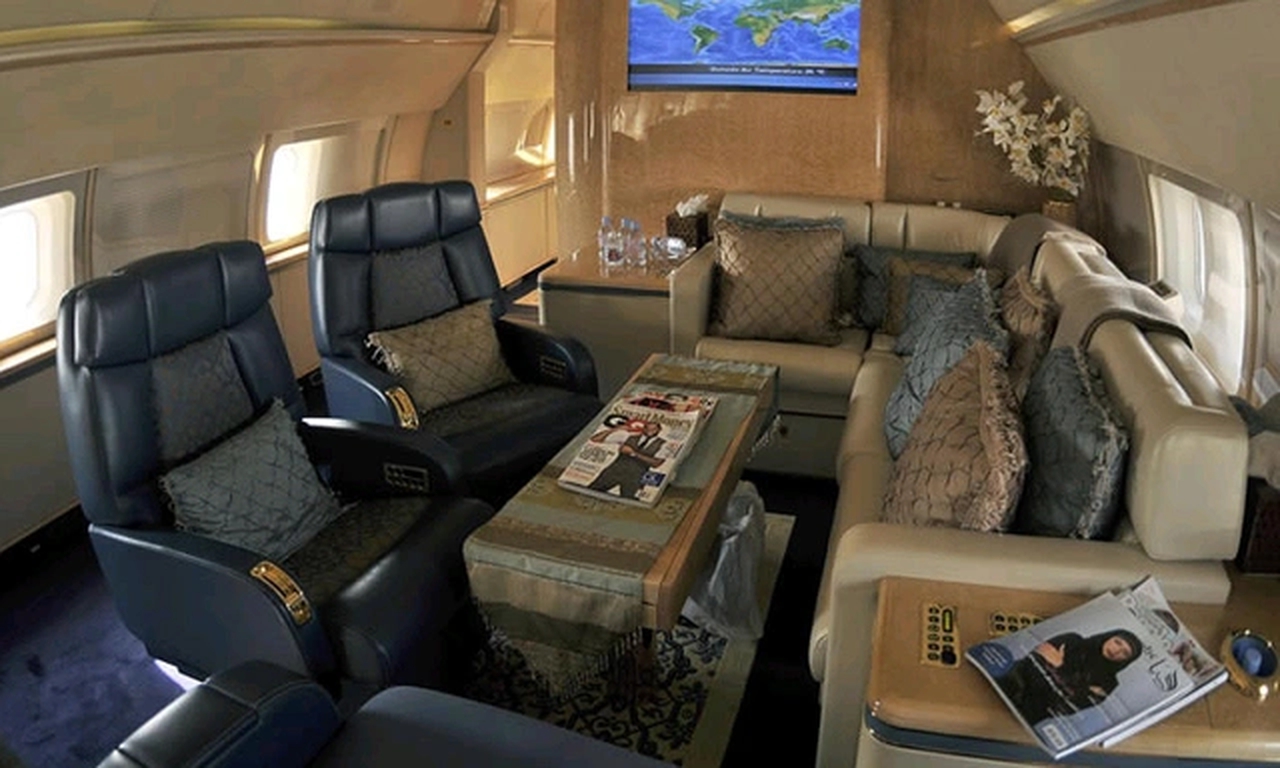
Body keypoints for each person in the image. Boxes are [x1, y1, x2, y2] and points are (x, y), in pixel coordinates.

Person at [996, 630, 1144, 726]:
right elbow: (1031, 662)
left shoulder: (1108, 683)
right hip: (1006, 683)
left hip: (1025, 715)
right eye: (1117, 642)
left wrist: (1060, 666)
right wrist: (1075, 687)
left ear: (1126, 661)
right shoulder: (1073, 640)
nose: (1116, 651)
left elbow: (1068, 707)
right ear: (1109, 637)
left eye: (1124, 653)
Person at [587, 421, 667, 500]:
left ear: (659, 430)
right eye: (647, 428)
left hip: (635, 478)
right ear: (643, 428)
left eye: (653, 429)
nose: (650, 431)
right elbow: (595, 439)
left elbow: (656, 463)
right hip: (614, 471)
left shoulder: (663, 444)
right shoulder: (628, 436)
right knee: (591, 491)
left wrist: (633, 453)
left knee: (629, 501)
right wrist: (615, 429)